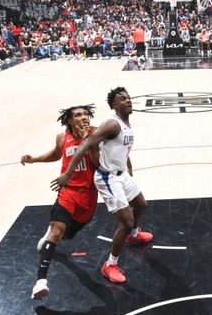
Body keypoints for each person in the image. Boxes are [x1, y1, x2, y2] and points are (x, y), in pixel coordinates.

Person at [52, 87, 152, 285]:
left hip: (121, 174)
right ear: (114, 105)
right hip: (108, 178)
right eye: (122, 99)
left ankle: (133, 235)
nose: (128, 100)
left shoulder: (125, 123)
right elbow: (86, 144)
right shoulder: (112, 124)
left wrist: (129, 169)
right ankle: (110, 265)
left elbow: (124, 150)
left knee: (141, 204)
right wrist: (68, 173)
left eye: (128, 97)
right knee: (126, 222)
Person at [22, 104, 99, 299]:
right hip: (68, 191)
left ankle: (49, 234)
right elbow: (57, 154)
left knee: (67, 234)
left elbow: (98, 162)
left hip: (88, 195)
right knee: (57, 230)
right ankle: (40, 282)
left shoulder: (96, 133)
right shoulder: (62, 138)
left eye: (85, 114)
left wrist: (85, 141)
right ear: (70, 120)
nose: (83, 117)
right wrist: (34, 159)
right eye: (78, 115)